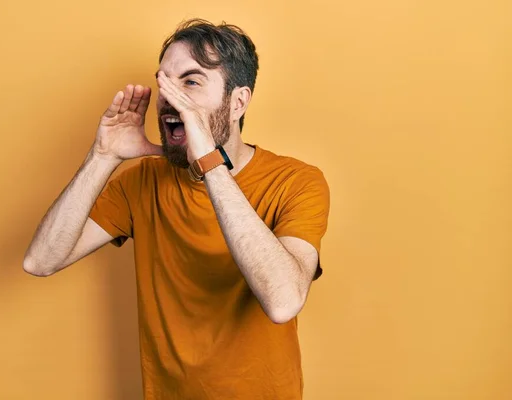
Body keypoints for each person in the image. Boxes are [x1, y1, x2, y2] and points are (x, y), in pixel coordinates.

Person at [24, 18, 330, 400]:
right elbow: (41, 261)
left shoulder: (296, 181)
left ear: (237, 103)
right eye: (164, 81)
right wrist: (103, 157)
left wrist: (208, 162)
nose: (168, 96)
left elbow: (283, 301)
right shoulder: (141, 182)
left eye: (190, 81)